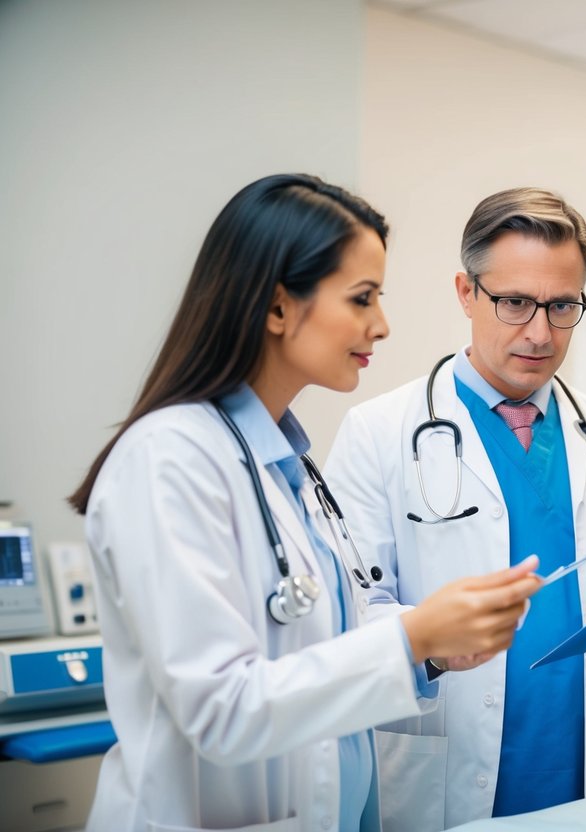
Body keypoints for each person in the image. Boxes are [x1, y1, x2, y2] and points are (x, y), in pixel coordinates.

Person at [67, 174, 541, 832]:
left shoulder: (289, 470)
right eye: (361, 298)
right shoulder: (169, 460)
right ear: (277, 306)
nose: (382, 324)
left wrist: (430, 647)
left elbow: (328, 643)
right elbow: (221, 710)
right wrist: (413, 634)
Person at [323, 186, 586, 830]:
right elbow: (351, 621)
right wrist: (434, 641)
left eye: (562, 306)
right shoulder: (377, 432)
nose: (540, 333)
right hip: (442, 778)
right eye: (515, 302)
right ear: (466, 292)